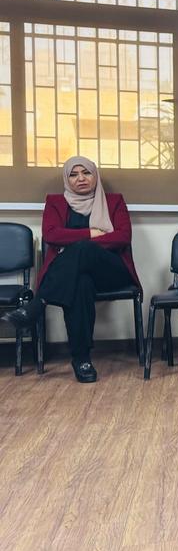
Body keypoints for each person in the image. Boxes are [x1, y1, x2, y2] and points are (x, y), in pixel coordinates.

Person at [2, 157, 139, 383]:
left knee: (83, 248)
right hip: (73, 275)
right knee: (81, 284)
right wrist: (91, 233)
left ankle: (39, 303)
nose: (81, 178)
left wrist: (79, 241)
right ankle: (82, 359)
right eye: (73, 174)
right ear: (67, 179)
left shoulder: (114, 201)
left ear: (95, 176)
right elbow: (52, 235)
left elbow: (122, 237)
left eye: (86, 173)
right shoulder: (55, 202)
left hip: (111, 271)